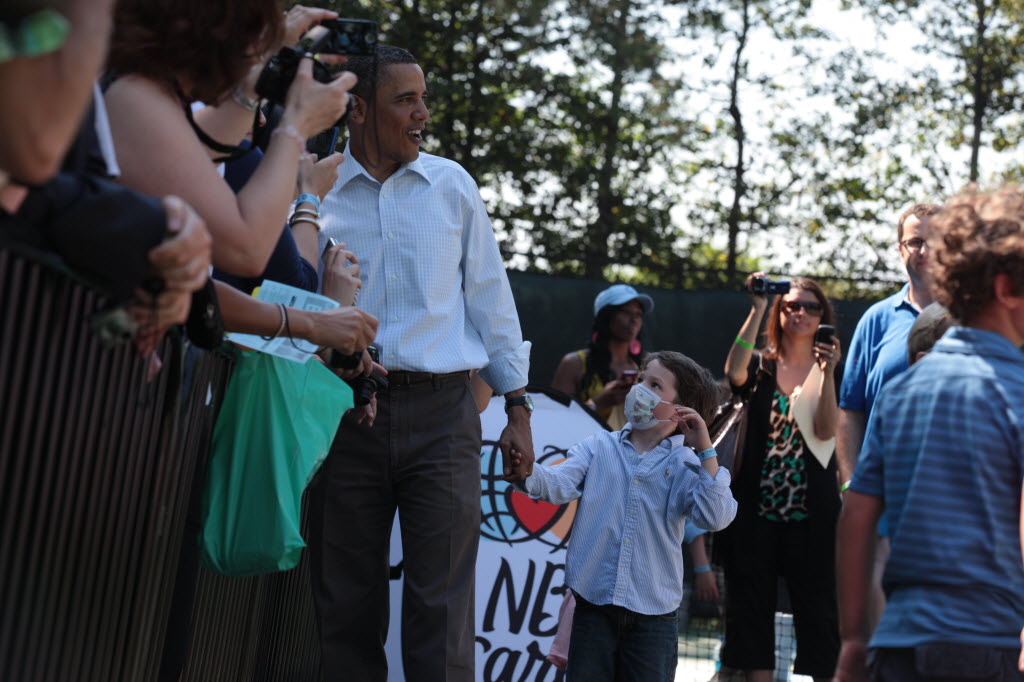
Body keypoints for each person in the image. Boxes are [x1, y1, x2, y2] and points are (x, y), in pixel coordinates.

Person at [307, 45, 535, 682]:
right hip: (343, 412)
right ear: (358, 110)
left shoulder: (453, 184)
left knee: (442, 611)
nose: (422, 114)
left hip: (444, 417)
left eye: (423, 99)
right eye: (405, 100)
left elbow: (492, 299)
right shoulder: (316, 189)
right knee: (346, 605)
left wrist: (517, 408)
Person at [834, 186, 1024, 682]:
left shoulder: (901, 392)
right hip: (986, 646)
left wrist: (854, 639)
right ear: (1007, 289)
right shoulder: (1017, 391)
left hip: (894, 646)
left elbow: (857, 517)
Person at [512, 350, 736, 681]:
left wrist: (705, 450)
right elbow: (557, 484)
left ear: (681, 410)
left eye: (655, 385)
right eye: (642, 379)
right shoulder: (598, 446)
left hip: (654, 622)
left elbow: (716, 517)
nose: (640, 388)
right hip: (593, 611)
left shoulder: (686, 464)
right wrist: (525, 471)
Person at [718, 274, 843, 682]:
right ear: (780, 312)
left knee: (820, 616)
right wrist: (756, 308)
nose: (801, 313)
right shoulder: (761, 366)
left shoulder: (832, 369)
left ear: (823, 315)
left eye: (811, 306)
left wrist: (827, 371)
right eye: (792, 305)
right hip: (754, 514)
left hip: (813, 517)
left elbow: (826, 430)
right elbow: (733, 372)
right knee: (750, 616)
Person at [835, 203, 939, 630]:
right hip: (883, 500)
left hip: (950, 499)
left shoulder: (975, 319)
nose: (924, 249)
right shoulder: (876, 320)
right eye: (915, 241)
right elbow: (850, 410)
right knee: (880, 630)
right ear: (900, 249)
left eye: (934, 240)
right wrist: (850, 484)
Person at [551, 283, 653, 428]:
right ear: (605, 317)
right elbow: (554, 419)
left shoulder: (646, 367)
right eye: (626, 312)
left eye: (638, 314)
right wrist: (598, 403)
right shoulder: (574, 363)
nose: (634, 319)